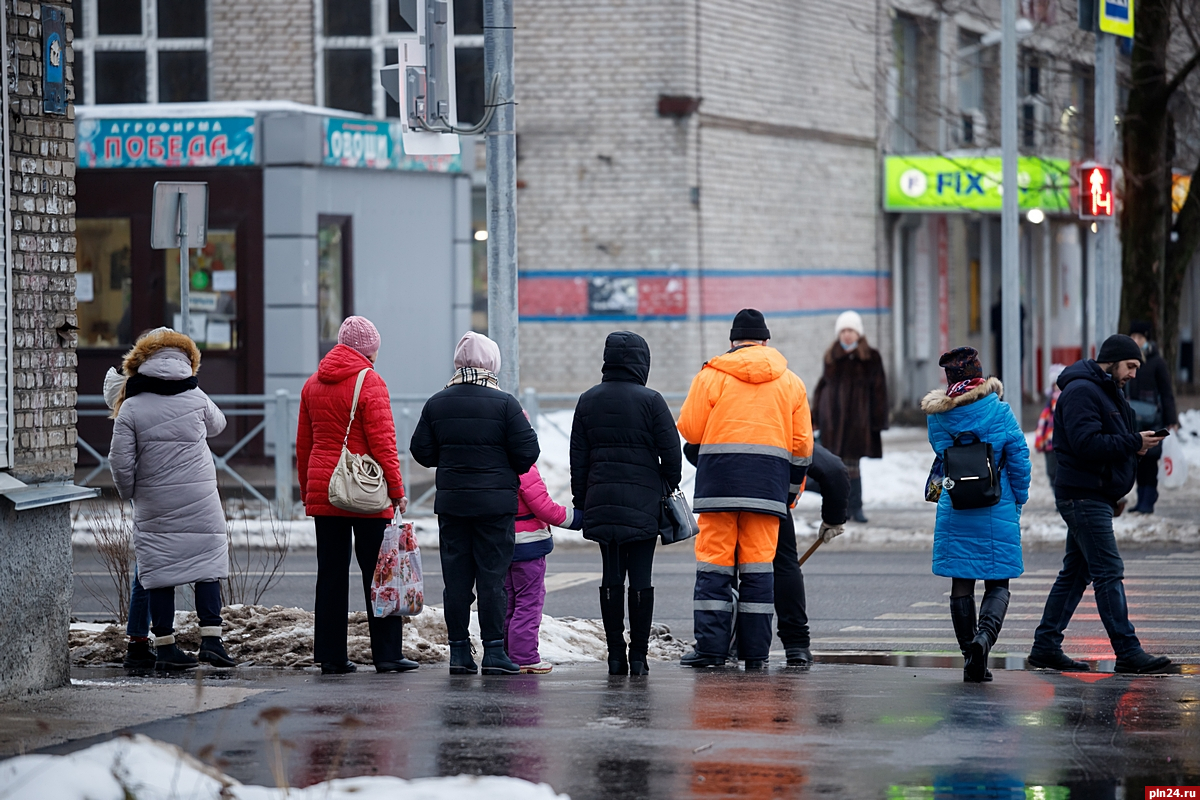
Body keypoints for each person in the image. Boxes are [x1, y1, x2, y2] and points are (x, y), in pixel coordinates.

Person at [1028, 334, 1172, 674]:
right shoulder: (1082, 392)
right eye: (1131, 366)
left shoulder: (1106, 390)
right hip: (1082, 495)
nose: (1135, 374)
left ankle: (1045, 646)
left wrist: (1132, 452)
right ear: (1113, 360)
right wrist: (1133, 442)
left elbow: (1105, 442)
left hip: (1094, 494)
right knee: (1109, 572)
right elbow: (1086, 443)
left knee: (1075, 574)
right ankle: (1127, 651)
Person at [677, 309, 813, 669]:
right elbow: (802, 447)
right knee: (758, 571)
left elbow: (690, 430)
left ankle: (711, 651)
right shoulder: (791, 383)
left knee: (715, 569)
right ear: (766, 342)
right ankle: (755, 653)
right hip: (767, 492)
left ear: (733, 342)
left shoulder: (712, 376)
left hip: (718, 488)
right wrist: (789, 494)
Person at [410, 332, 540, 675]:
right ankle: (494, 651)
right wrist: (501, 467)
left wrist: (452, 459)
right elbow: (528, 452)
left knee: (456, 579)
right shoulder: (505, 404)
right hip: (495, 507)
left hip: (452, 505)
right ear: (492, 363)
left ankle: (458, 653)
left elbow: (421, 451)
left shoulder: (438, 402)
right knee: (492, 578)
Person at [108, 328, 237, 671]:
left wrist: (128, 492)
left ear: (140, 361)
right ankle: (212, 641)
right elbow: (219, 425)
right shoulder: (196, 396)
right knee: (208, 566)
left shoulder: (132, 406)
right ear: (186, 360)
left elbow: (119, 461)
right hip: (199, 495)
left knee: (159, 570)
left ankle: (165, 646)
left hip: (155, 498)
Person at [297, 316, 416, 675]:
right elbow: (384, 443)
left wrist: (308, 490)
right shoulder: (370, 382)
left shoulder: (312, 383)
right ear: (368, 349)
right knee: (379, 574)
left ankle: (331, 657)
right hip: (366, 493)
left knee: (330, 574)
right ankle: (387, 655)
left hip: (326, 491)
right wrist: (396, 490)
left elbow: (304, 446)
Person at [570, 332, 682, 676]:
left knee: (611, 575)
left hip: (602, 501)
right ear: (641, 361)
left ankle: (615, 654)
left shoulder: (588, 400)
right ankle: (639, 656)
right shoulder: (652, 401)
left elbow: (579, 458)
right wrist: (664, 483)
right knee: (641, 577)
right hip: (644, 502)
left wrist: (582, 500)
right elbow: (672, 456)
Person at [684, 440, 849, 667]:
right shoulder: (784, 428)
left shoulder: (725, 421)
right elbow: (833, 470)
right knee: (782, 564)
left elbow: (691, 447)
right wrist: (834, 518)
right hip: (769, 499)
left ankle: (721, 645)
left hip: (723, 494)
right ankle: (796, 646)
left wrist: (723, 467)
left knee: (722, 566)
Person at [921, 347, 1030, 682]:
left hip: (956, 503)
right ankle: (984, 640)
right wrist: (1019, 499)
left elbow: (942, 454)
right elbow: (1019, 457)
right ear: (979, 378)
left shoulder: (938, 418)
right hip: (996, 503)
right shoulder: (999, 411)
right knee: (998, 582)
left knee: (961, 581)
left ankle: (970, 656)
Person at [506, 459, 583, 674]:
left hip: (499, 545)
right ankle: (524, 657)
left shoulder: (489, 462)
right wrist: (579, 519)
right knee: (528, 603)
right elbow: (545, 509)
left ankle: (505, 653)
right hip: (527, 545)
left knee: (507, 602)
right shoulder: (524, 468)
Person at [812, 310, 888, 523]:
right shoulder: (831, 356)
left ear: (859, 333)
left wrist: (877, 420)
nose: (847, 335)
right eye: (843, 330)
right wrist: (815, 416)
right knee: (838, 468)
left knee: (853, 467)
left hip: (858, 424)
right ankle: (842, 509)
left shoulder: (870, 357)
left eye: (851, 330)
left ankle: (857, 507)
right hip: (833, 423)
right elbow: (822, 388)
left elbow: (879, 390)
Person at [1126, 321, 1178, 514]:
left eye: (1140, 337)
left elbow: (1166, 393)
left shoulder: (1157, 362)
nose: (1136, 341)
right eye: (1133, 337)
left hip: (1153, 419)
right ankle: (1141, 500)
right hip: (1133, 419)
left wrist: (1171, 419)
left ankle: (1148, 499)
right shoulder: (1128, 361)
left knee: (1150, 460)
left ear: (1147, 339)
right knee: (1138, 460)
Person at [1034, 363, 1066, 489]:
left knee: (1061, 472)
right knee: (1051, 472)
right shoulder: (1049, 405)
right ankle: (1058, 497)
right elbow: (1042, 423)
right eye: (1055, 386)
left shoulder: (1067, 402)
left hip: (1063, 443)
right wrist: (1039, 441)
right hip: (1049, 443)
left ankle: (1063, 498)